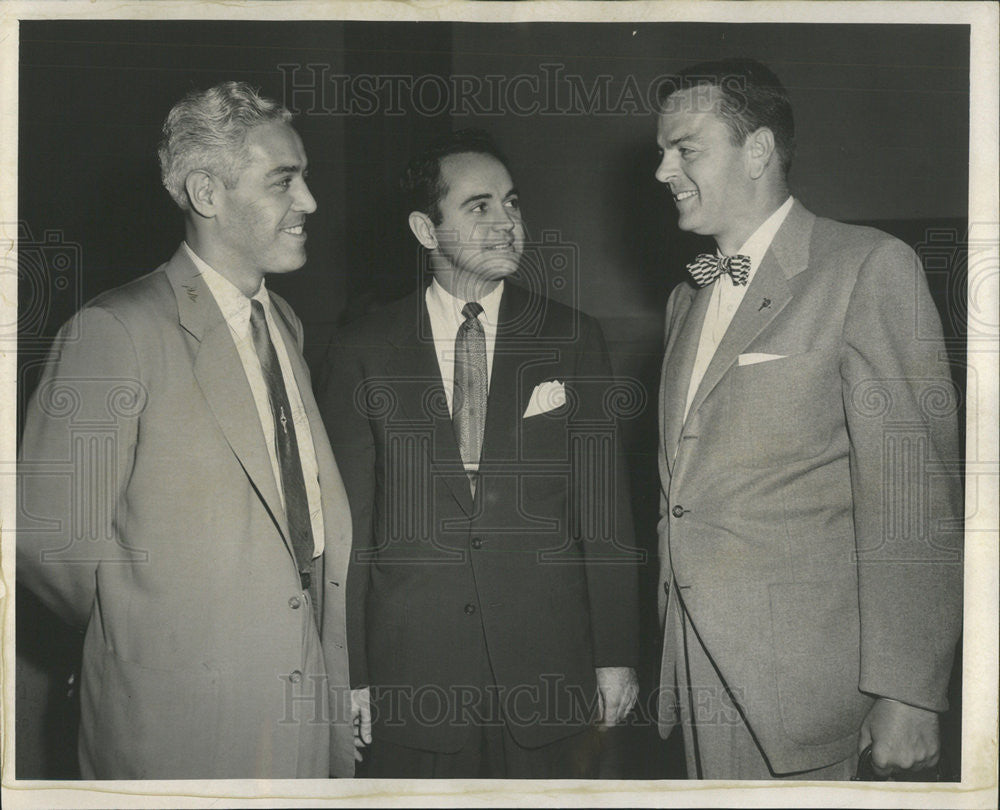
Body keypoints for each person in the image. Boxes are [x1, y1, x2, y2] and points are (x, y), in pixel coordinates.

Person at [17, 81, 355, 779]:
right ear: (207, 194)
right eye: (284, 182)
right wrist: (148, 638)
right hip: (177, 723)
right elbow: (50, 545)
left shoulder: (283, 323)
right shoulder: (115, 331)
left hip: (300, 707)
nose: (310, 203)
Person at [653, 58, 963, 780]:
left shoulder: (868, 267)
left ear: (758, 150)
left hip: (810, 684)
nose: (663, 170)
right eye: (661, 152)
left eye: (685, 149)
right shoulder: (683, 301)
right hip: (695, 663)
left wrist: (909, 692)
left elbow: (914, 500)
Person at [318, 129, 641, 778]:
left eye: (514, 203)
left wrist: (616, 652)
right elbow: (348, 526)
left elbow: (605, 512)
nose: (508, 223)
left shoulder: (571, 336)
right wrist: (350, 673)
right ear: (425, 228)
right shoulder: (363, 346)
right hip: (414, 673)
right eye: (480, 207)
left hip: (549, 670)